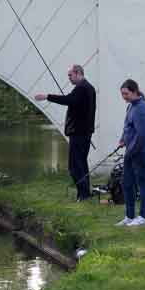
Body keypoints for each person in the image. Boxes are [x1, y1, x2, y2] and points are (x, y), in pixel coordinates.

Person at [35, 65, 96, 201]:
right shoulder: (88, 88)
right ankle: (85, 193)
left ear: (78, 73)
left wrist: (47, 96)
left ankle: (84, 195)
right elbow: (74, 102)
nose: (69, 78)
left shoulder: (82, 88)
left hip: (79, 133)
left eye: (70, 75)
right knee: (81, 163)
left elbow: (68, 100)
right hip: (84, 132)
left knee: (75, 166)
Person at [115, 79, 145, 227]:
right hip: (131, 151)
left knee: (142, 183)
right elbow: (128, 128)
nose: (123, 97)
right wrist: (122, 140)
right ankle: (129, 216)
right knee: (127, 183)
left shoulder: (142, 108)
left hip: (141, 152)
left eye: (126, 94)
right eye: (122, 94)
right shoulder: (131, 106)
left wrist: (131, 151)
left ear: (134, 91)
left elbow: (143, 134)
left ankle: (144, 217)